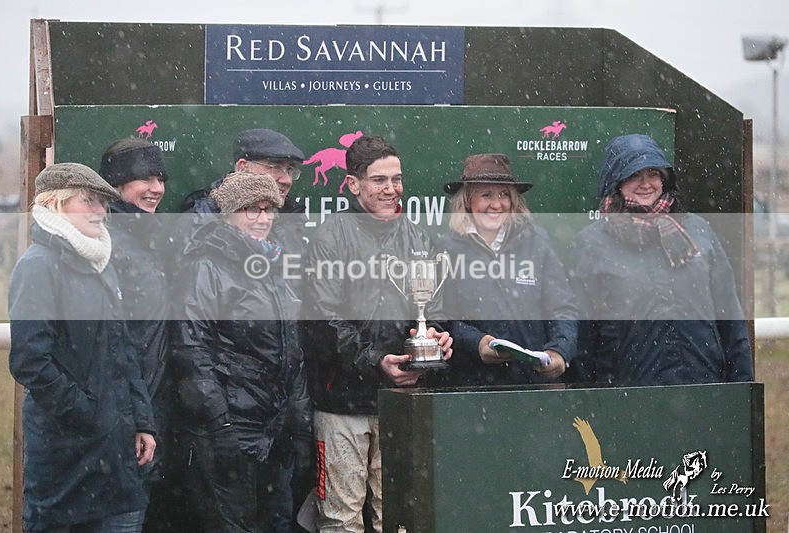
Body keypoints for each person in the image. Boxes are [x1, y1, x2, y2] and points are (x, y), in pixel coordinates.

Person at [301, 135, 453, 532]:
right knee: (340, 519)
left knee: (401, 516)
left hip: (402, 402)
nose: (391, 189)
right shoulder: (330, 237)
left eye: (397, 179)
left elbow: (433, 310)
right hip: (342, 405)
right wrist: (376, 362)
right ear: (354, 184)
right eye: (379, 180)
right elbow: (323, 321)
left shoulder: (420, 238)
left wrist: (435, 340)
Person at [8, 162, 156, 532]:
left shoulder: (100, 262)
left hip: (118, 457)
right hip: (66, 459)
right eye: (88, 201)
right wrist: (91, 415)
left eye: (103, 203)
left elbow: (124, 351)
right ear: (54, 203)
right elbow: (30, 362)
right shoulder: (38, 265)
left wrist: (141, 421)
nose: (100, 212)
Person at [170, 171, 312, 532]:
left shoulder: (271, 266)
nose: (263, 218)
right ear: (229, 213)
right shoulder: (205, 266)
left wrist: (298, 425)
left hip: (274, 432)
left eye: (269, 209)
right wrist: (221, 426)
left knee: (278, 524)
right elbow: (192, 351)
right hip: (230, 431)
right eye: (252, 209)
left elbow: (290, 353)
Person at [569, 134, 754, 385]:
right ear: (616, 181)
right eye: (634, 175)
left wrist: (742, 388)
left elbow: (730, 318)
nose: (645, 183)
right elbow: (583, 336)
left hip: (703, 388)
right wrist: (589, 402)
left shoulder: (698, 230)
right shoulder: (591, 243)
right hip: (626, 398)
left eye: (653, 173)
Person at [431, 153, 578, 387]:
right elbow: (442, 320)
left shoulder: (537, 241)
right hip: (471, 388)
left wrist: (560, 351)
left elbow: (562, 308)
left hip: (533, 385)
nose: (496, 204)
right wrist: (476, 342)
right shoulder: (446, 248)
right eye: (486, 195)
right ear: (468, 201)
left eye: (504, 194)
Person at [98, 138, 177, 532]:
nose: (156, 188)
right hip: (123, 415)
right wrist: (129, 416)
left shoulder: (146, 238)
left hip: (149, 409)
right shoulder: (107, 244)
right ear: (116, 185)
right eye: (144, 178)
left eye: (160, 178)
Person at [178, 128, 308, 260]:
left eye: (290, 169)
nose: (287, 180)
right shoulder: (201, 221)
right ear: (243, 167)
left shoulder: (290, 217)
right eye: (275, 167)